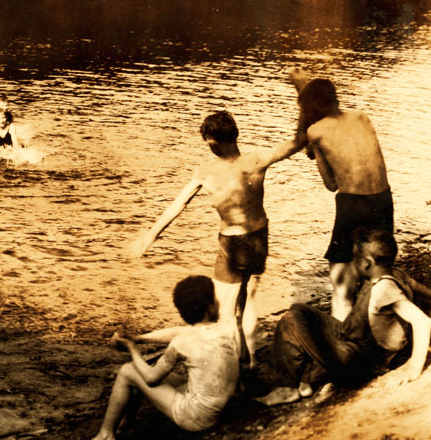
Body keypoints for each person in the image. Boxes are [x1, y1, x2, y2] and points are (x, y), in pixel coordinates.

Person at [129, 111, 304, 368]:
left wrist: (151, 235)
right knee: (247, 300)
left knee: (224, 313)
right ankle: (249, 358)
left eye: (209, 141)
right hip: (259, 237)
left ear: (214, 141)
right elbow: (297, 142)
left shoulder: (206, 171)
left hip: (232, 244)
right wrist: (309, 108)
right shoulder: (257, 160)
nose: (208, 146)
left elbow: (178, 205)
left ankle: (230, 367)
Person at [259, 228, 431, 405]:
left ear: (366, 263)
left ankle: (288, 387)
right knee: (300, 309)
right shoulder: (397, 274)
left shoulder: (383, 289)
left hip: (364, 363)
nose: (352, 262)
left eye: (354, 258)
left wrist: (413, 367)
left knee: (291, 321)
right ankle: (307, 378)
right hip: (362, 347)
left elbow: (422, 322)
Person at [76, 275, 241, 440]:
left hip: (197, 418)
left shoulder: (181, 343)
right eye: (215, 298)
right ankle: (125, 426)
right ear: (209, 307)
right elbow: (181, 332)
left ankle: (105, 437)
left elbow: (151, 379)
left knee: (128, 370)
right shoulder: (227, 326)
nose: (218, 301)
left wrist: (132, 348)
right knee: (143, 367)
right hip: (224, 408)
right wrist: (139, 338)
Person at [290, 69, 393, 321]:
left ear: (312, 106)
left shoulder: (316, 131)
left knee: (340, 278)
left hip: (353, 204)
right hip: (383, 200)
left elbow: (331, 185)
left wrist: (315, 149)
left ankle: (341, 334)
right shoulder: (362, 117)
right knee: (377, 271)